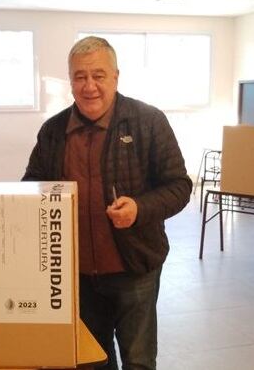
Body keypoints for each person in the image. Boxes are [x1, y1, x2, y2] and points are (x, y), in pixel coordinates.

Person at [22, 36, 192, 370]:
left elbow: (179, 186)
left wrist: (139, 209)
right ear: (70, 81)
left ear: (116, 77)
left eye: (98, 75)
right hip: (76, 275)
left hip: (135, 268)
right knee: (91, 361)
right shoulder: (53, 131)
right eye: (80, 77)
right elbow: (31, 184)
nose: (89, 87)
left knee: (139, 361)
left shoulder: (148, 121)